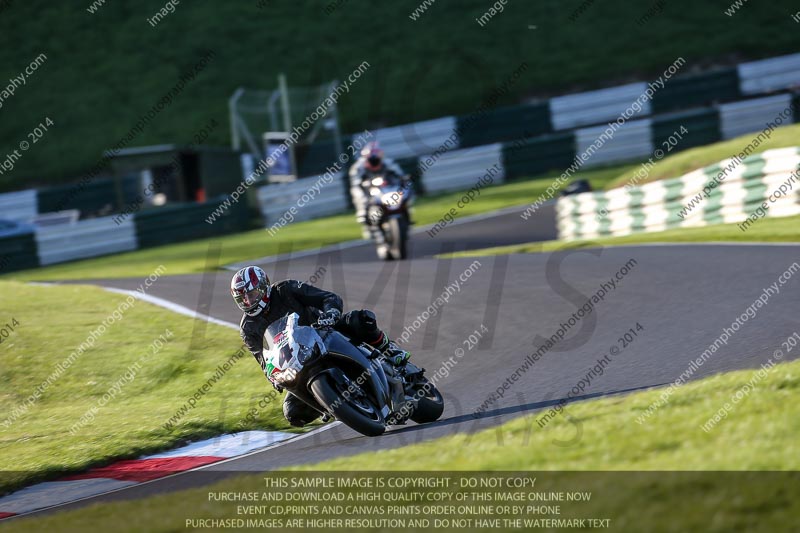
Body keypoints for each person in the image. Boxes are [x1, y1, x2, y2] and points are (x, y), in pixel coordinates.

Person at [231, 265, 411, 427]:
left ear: (263, 287)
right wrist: (274, 377)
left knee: (362, 319)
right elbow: (263, 360)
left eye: (251, 295)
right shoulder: (248, 328)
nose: (248, 301)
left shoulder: (285, 289)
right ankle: (331, 405)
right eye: (242, 299)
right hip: (296, 363)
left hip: (324, 332)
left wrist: (331, 312)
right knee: (292, 413)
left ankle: (389, 350)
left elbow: (327, 298)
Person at [348, 142, 408, 243]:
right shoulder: (358, 167)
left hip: (385, 188)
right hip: (368, 189)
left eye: (376, 158)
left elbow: (399, 174)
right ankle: (366, 221)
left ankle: (406, 216)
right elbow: (356, 183)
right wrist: (363, 186)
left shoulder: (388, 162)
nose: (374, 160)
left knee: (403, 195)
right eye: (371, 159)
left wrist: (403, 179)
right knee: (361, 197)